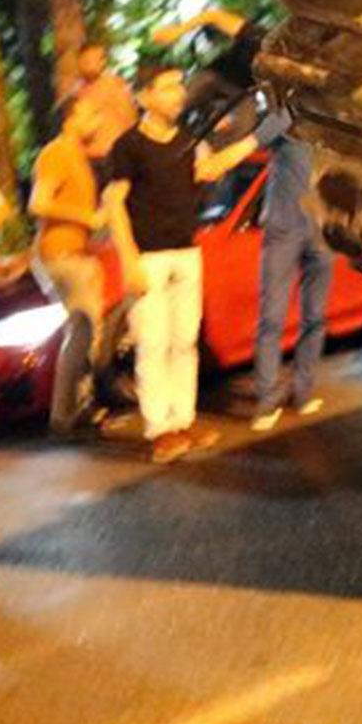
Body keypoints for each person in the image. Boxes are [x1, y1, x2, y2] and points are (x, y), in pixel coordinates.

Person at [105, 65, 257, 462]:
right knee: (153, 344)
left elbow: (211, 168)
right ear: (144, 97)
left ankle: (184, 420)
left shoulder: (188, 141)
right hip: (149, 258)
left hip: (187, 252)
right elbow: (114, 205)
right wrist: (129, 261)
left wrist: (262, 135)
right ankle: (160, 428)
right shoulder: (128, 147)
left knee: (185, 341)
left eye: (179, 87)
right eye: (168, 88)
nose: (178, 95)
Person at [245, 102, 332, 432]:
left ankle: (303, 391)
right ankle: (267, 399)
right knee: (272, 317)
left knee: (316, 316)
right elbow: (254, 139)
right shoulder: (285, 115)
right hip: (283, 229)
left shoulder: (330, 123)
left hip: (321, 229)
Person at [26, 93, 108, 436]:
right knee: (83, 330)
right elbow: (39, 204)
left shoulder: (78, 155)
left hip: (74, 253)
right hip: (61, 256)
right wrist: (86, 216)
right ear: (71, 118)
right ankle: (66, 413)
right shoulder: (57, 153)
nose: (99, 121)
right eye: (92, 113)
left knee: (85, 330)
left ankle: (77, 407)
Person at [71, 41, 138, 159]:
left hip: (114, 152)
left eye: (92, 60)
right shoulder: (79, 91)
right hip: (89, 155)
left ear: (103, 62)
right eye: (84, 61)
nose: (88, 65)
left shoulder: (115, 85)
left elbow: (130, 119)